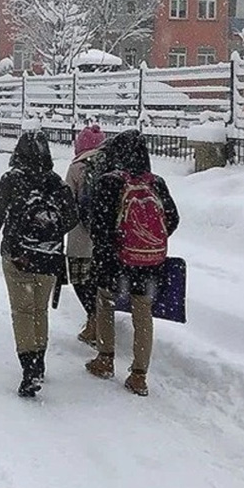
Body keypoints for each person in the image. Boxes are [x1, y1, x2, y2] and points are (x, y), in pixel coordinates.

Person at [0, 131, 77, 398]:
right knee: (39, 311)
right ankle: (40, 362)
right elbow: (72, 217)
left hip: (18, 255)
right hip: (50, 257)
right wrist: (50, 231)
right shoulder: (56, 182)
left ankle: (29, 368)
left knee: (22, 312)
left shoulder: (11, 179)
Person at [83, 130, 179, 397]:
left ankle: (105, 359)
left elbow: (98, 225)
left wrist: (113, 245)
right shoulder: (156, 183)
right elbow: (172, 218)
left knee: (105, 303)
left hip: (114, 261)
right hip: (149, 263)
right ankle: (139, 375)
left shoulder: (109, 182)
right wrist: (147, 241)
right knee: (143, 313)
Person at [64, 124, 107, 348]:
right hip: (106, 238)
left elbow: (66, 201)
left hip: (81, 237)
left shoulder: (77, 167)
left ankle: (93, 319)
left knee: (81, 280)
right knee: (101, 281)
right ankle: (102, 320)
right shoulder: (112, 164)